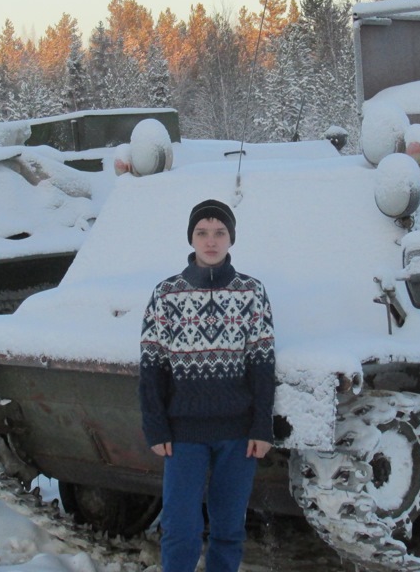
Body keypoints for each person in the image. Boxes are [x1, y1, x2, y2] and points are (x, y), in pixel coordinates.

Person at [139, 199, 276, 572]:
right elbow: (152, 368)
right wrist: (155, 424)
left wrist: (262, 425)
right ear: (191, 238)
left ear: (231, 238)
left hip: (239, 433)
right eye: (202, 233)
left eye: (219, 233)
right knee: (180, 528)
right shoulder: (166, 295)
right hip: (183, 433)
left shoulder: (251, 292)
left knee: (229, 529)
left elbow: (262, 366)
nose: (211, 241)